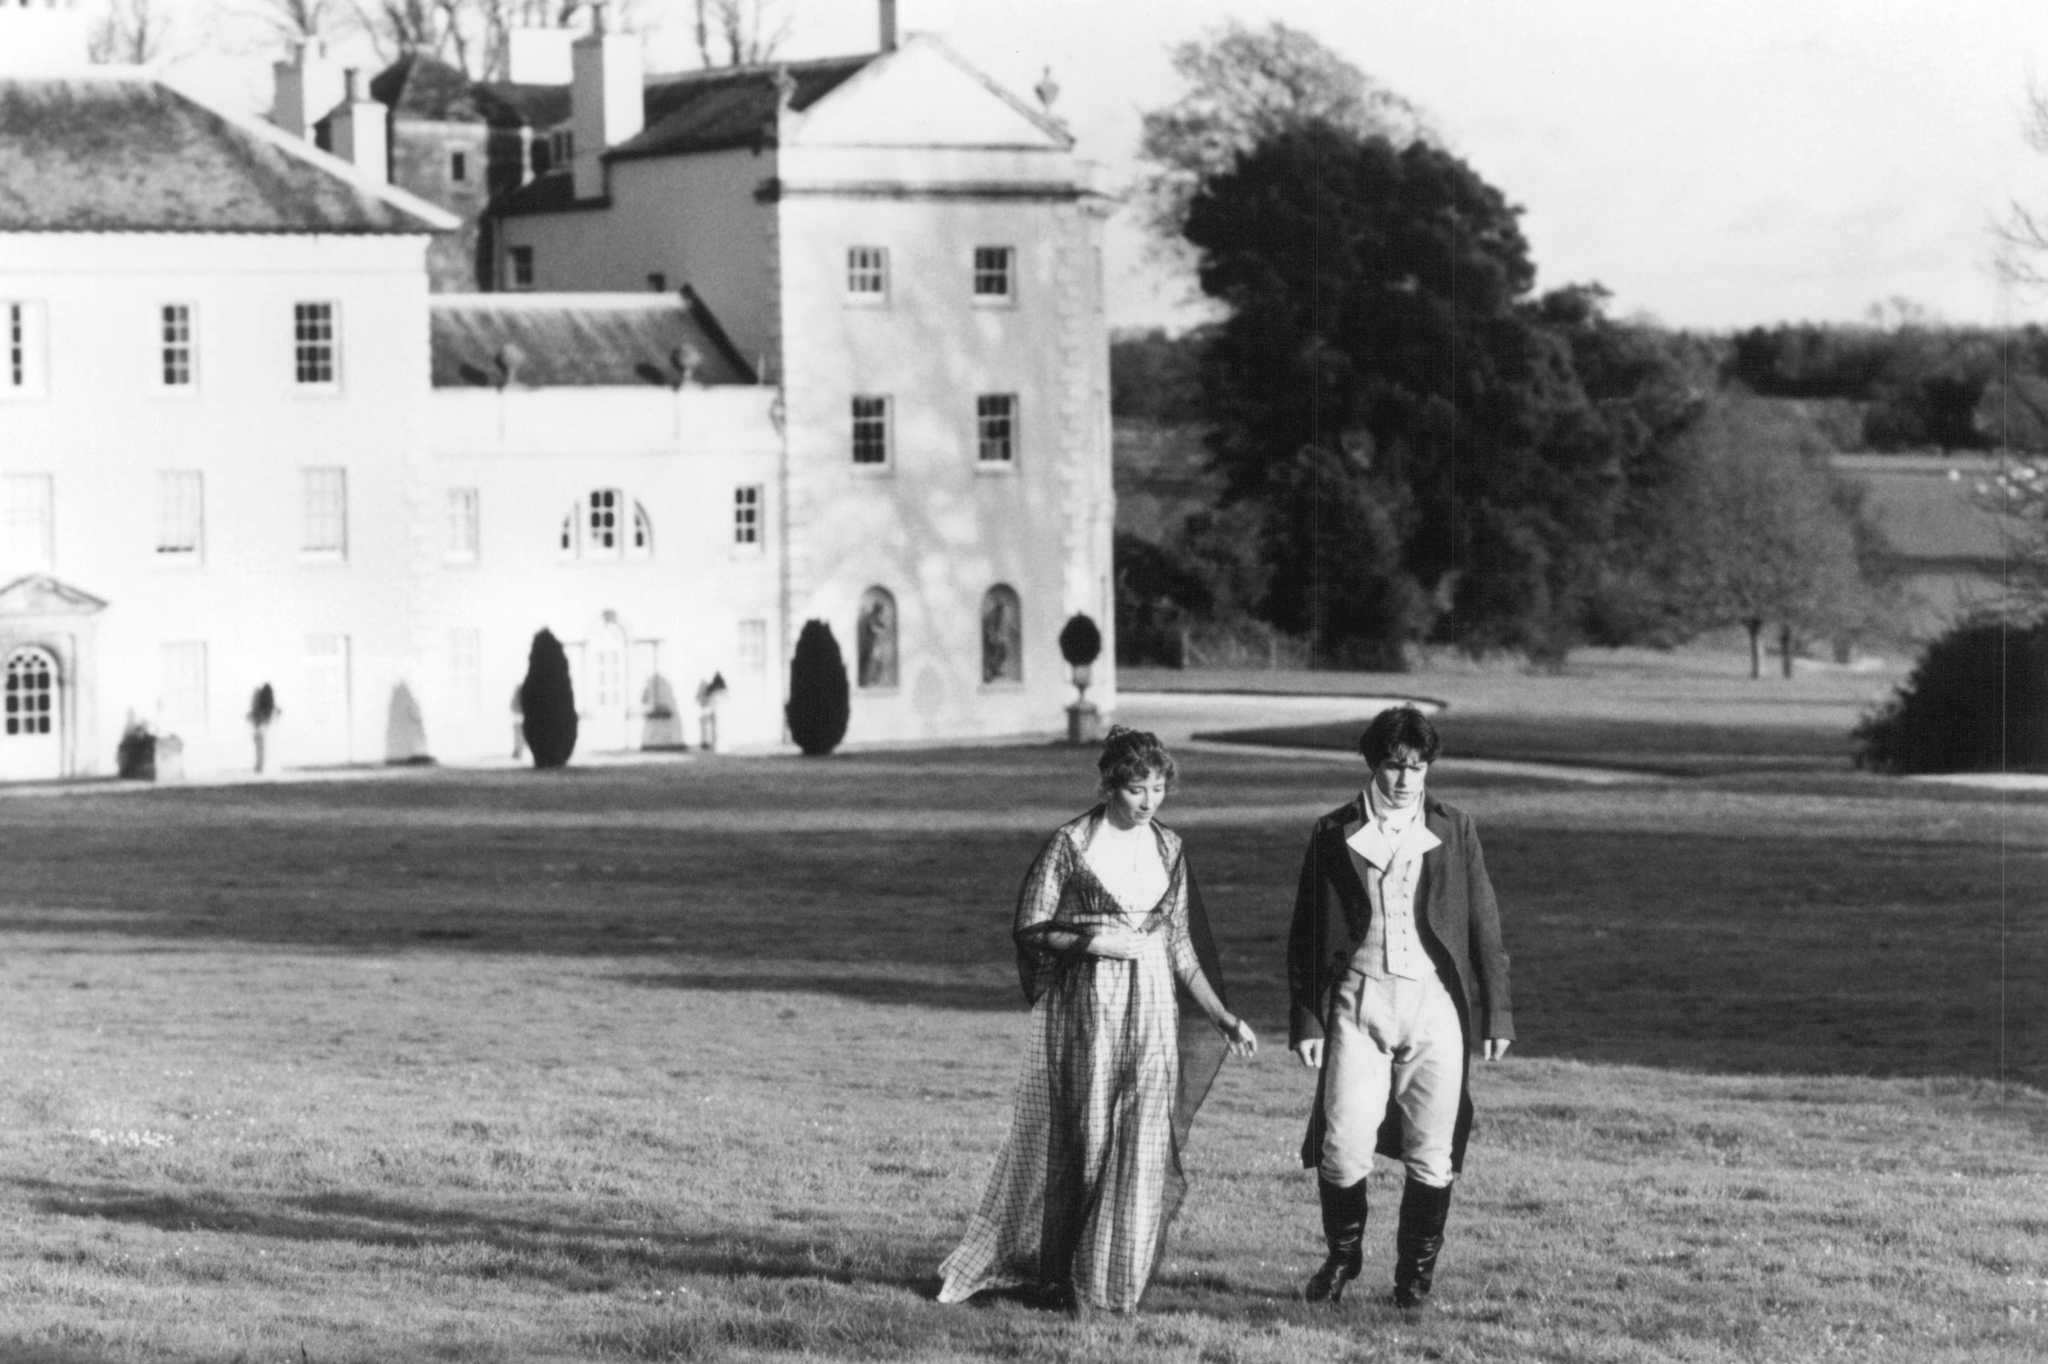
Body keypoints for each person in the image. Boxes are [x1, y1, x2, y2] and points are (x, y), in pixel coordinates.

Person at [939, 726, 1257, 1315]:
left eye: (1159, 788)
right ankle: (1057, 1278)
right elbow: (1033, 927)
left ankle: (1110, 1282)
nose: (1149, 801)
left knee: (1141, 1143)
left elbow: (1180, 946)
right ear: (1111, 784)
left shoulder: (1170, 849)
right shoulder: (1071, 844)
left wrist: (1222, 1016)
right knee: (1082, 1141)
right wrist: (1096, 942)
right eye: (1137, 789)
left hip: (1154, 1010)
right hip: (1091, 1010)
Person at [1286, 705, 1514, 1309]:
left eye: (1419, 766)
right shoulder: (1332, 830)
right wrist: (1307, 1018)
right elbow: (1307, 930)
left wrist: (1496, 1014)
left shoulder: (1456, 827)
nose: (1407, 779)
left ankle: (1413, 1281)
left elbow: (1483, 924)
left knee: (1433, 1149)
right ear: (1373, 764)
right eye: (1394, 766)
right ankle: (1342, 1256)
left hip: (1436, 1005)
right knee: (1341, 1144)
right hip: (1358, 1002)